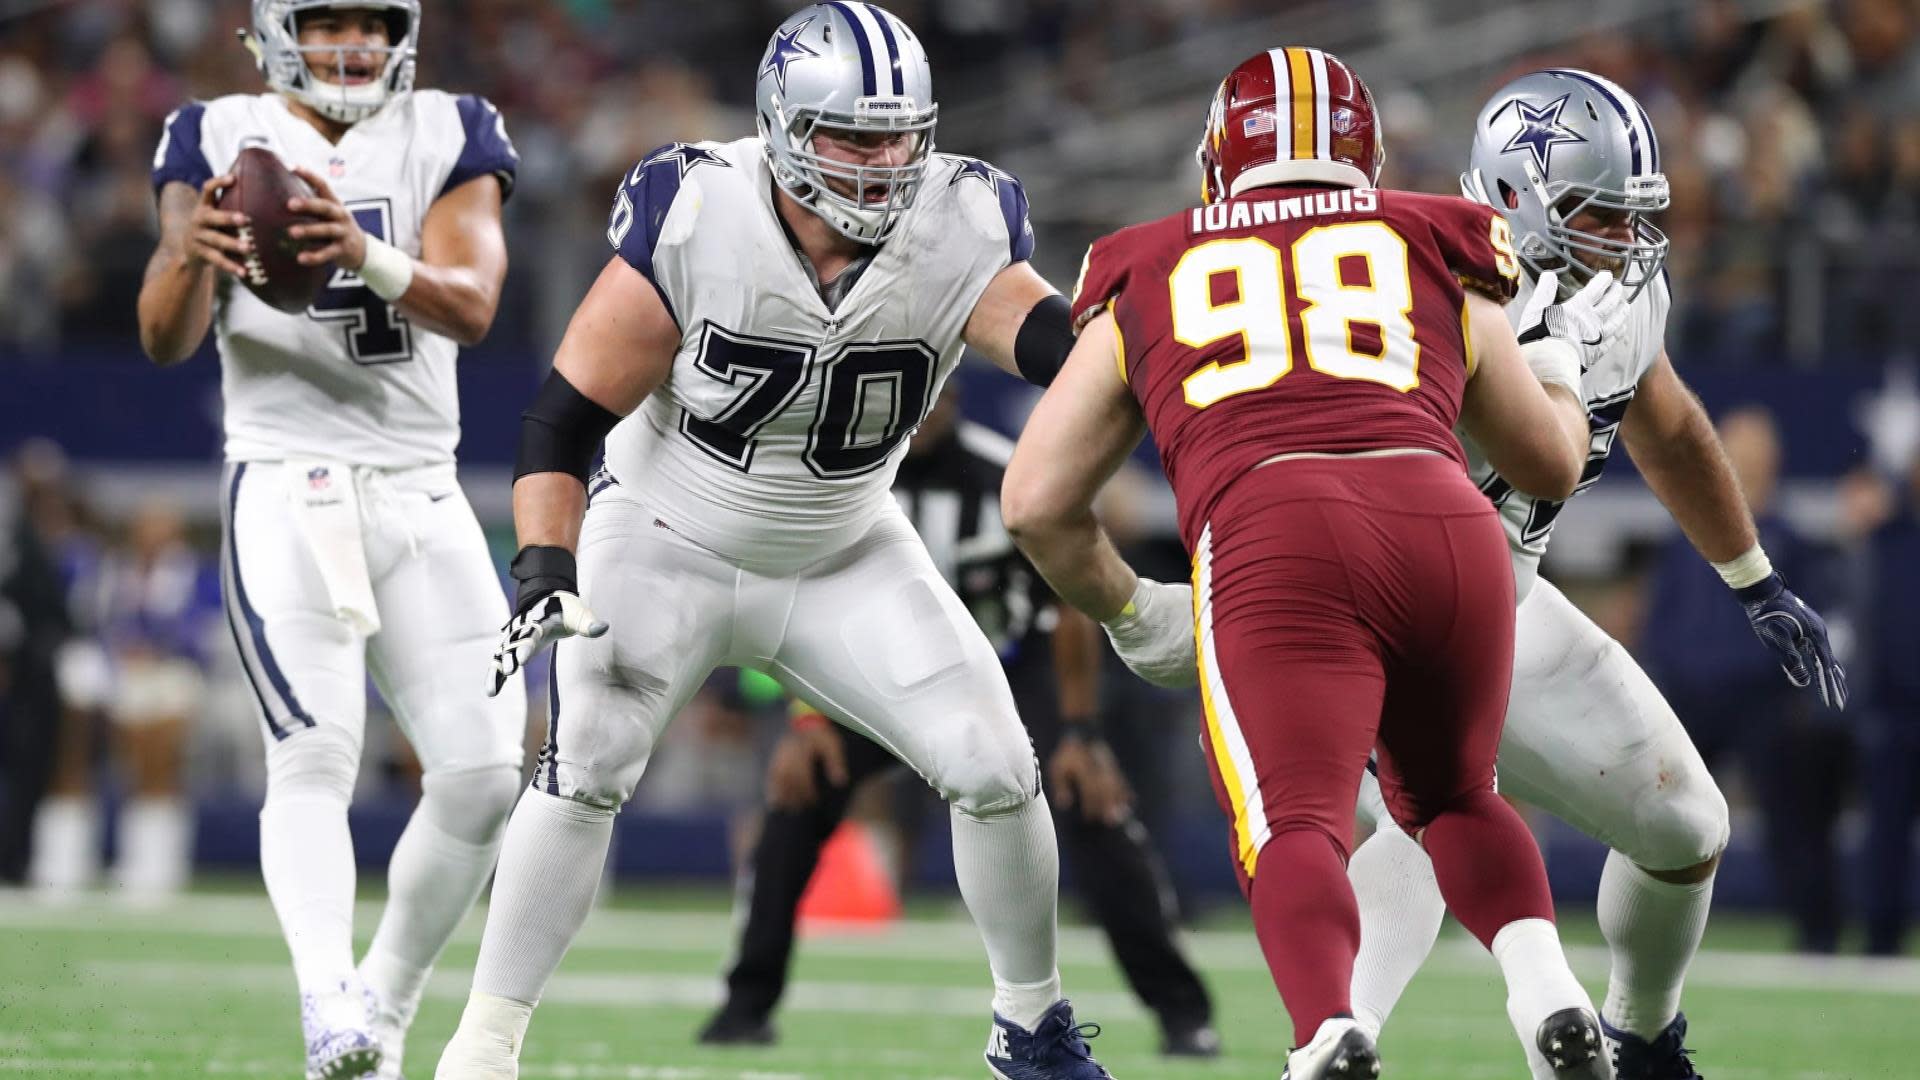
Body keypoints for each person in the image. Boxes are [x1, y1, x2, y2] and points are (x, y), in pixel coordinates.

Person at [438, 5, 1107, 1079]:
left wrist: (1151, 353)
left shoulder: (959, 219)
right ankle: (487, 1040)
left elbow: (1061, 351)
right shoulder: (704, 209)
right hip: (665, 536)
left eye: (900, 136)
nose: (885, 163)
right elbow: (561, 420)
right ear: (785, 126)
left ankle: (1031, 1027)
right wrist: (545, 569)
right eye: (854, 136)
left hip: (844, 549)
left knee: (994, 764)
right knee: (590, 761)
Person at [1002, 47, 1619, 1080]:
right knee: (1460, 798)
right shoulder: (1432, 236)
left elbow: (1035, 501)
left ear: (1216, 159)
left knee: (1295, 823)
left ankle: (1326, 1032)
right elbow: (1549, 461)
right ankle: (1549, 989)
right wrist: (1557, 364)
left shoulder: (1147, 260)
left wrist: (1128, 608)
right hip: (1444, 521)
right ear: (1365, 154)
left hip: (1274, 531)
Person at [1342, 69, 1847, 1080]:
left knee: (1686, 826)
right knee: (1429, 810)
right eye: (1600, 213)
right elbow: (1522, 458)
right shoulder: (1425, 287)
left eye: (1633, 215)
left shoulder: (1615, 294)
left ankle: (1641, 1035)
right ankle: (1328, 1044)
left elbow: (1664, 420)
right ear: (1520, 200)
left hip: (1502, 594)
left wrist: (1752, 578)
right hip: (1383, 598)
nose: (1626, 239)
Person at [135, 2, 524, 1077]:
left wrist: (363, 249)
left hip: (423, 487)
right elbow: (162, 336)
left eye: (371, 21)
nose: (353, 43)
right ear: (272, 30)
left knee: (489, 776)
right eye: (328, 20)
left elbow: (476, 302)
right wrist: (192, 257)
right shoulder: (211, 133)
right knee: (312, 751)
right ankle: (326, 1000)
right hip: (286, 478)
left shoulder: (452, 127)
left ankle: (384, 1009)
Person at [698, 383, 1218, 1058]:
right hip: (880, 675)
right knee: (796, 798)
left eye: (933, 396)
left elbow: (1068, 606)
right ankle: (746, 1004)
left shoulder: (1006, 476)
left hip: (1008, 674)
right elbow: (806, 606)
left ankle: (1181, 1011)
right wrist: (806, 720)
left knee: (1091, 811)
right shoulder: (845, 479)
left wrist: (1081, 733)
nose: (920, 414)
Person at [1643, 407, 1847, 953]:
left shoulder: (1791, 541)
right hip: (1691, 697)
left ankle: (1818, 937)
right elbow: (1664, 613)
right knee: (1660, 820)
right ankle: (1648, 935)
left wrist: (1793, 695)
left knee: (1792, 825)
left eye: (1752, 456)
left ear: (1772, 465)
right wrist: (1666, 666)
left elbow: (1809, 625)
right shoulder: (1685, 536)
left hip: (1763, 702)